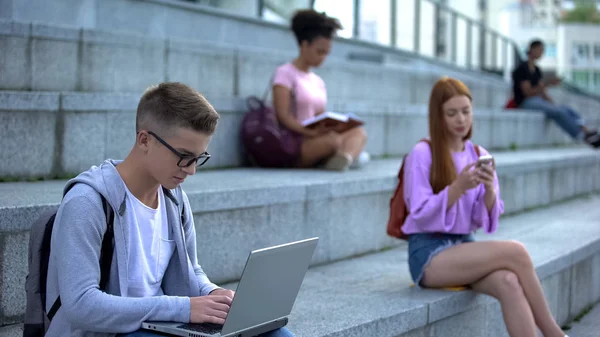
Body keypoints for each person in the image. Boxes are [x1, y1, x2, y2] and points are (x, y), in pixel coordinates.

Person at [44, 82, 293, 337]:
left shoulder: (174, 198)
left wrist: (213, 295)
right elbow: (81, 305)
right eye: (184, 156)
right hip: (107, 332)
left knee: (278, 335)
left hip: (160, 324)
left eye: (199, 158)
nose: (191, 170)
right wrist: (183, 309)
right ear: (144, 140)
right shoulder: (87, 202)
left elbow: (191, 270)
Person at [402, 77, 571, 337]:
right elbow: (420, 213)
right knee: (516, 252)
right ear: (438, 116)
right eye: (452, 113)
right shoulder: (422, 153)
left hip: (464, 247)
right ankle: (554, 332)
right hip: (429, 254)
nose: (461, 119)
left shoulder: (478, 153)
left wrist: (490, 190)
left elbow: (484, 221)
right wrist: (457, 188)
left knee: (509, 282)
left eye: (466, 111)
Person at [271, 9, 369, 171]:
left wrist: (333, 127)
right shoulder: (284, 73)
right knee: (332, 142)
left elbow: (319, 117)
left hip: (316, 137)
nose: (323, 58)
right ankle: (348, 156)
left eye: (327, 53)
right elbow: (283, 117)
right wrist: (309, 133)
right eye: (320, 52)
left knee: (358, 132)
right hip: (295, 141)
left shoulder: (318, 81)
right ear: (304, 45)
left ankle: (344, 158)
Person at [512, 39, 600, 148]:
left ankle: (586, 131)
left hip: (537, 100)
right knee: (558, 112)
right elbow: (527, 92)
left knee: (566, 109)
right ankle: (581, 136)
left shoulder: (537, 70)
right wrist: (547, 84)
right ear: (532, 49)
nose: (542, 53)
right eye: (540, 50)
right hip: (525, 102)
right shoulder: (522, 68)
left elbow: (542, 91)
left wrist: (552, 102)